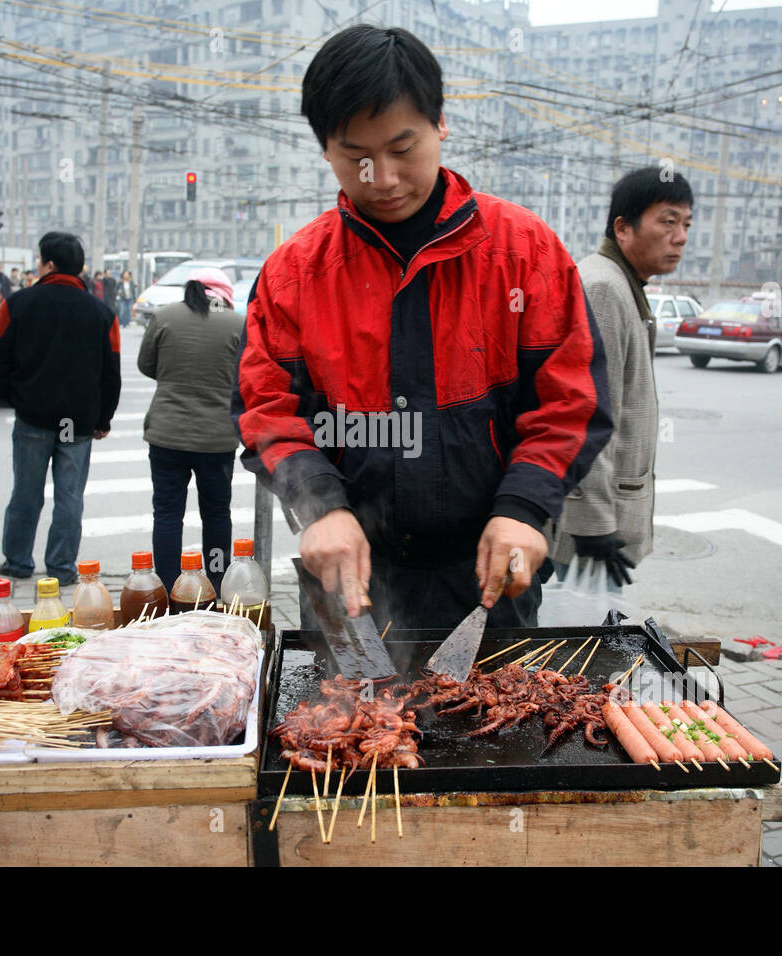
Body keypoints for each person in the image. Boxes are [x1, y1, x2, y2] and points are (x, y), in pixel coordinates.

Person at [231, 25, 612, 630]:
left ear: (441, 125)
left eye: (402, 148)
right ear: (325, 148)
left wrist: (523, 507)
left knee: (500, 717)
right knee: (341, 726)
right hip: (349, 577)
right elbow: (266, 407)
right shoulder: (294, 274)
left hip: (489, 569)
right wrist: (320, 506)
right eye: (355, 154)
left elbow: (571, 402)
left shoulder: (524, 252)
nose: (380, 177)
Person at [549, 167, 693, 590]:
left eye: (686, 224)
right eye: (668, 221)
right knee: (577, 648)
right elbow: (585, 412)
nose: (681, 236)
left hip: (603, 526)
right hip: (587, 536)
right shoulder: (603, 289)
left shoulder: (624, 285)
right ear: (623, 227)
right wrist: (591, 524)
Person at [0, 231, 121, 585]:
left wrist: (13, 397)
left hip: (33, 417)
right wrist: (104, 417)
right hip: (77, 423)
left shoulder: (18, 304)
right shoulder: (102, 313)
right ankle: (61, 568)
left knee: (26, 493)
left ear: (48, 264)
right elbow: (111, 371)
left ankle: (17, 562)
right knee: (70, 497)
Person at [139, 267, 244, 593]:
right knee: (216, 513)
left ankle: (171, 586)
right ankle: (215, 581)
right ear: (222, 294)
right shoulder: (238, 324)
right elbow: (247, 376)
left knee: (167, 514)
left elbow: (146, 365)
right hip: (217, 439)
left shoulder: (165, 316)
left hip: (167, 435)